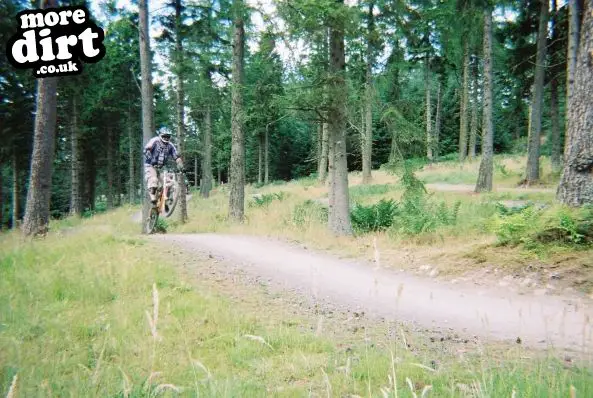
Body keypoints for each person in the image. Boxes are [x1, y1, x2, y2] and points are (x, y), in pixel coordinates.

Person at [144, 127, 184, 205]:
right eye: (164, 136)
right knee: (154, 180)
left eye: (168, 136)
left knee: (170, 182)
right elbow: (147, 148)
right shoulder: (155, 140)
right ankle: (153, 198)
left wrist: (181, 166)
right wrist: (148, 153)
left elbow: (176, 156)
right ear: (160, 135)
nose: (166, 138)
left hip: (161, 167)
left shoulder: (170, 145)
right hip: (150, 165)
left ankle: (166, 199)